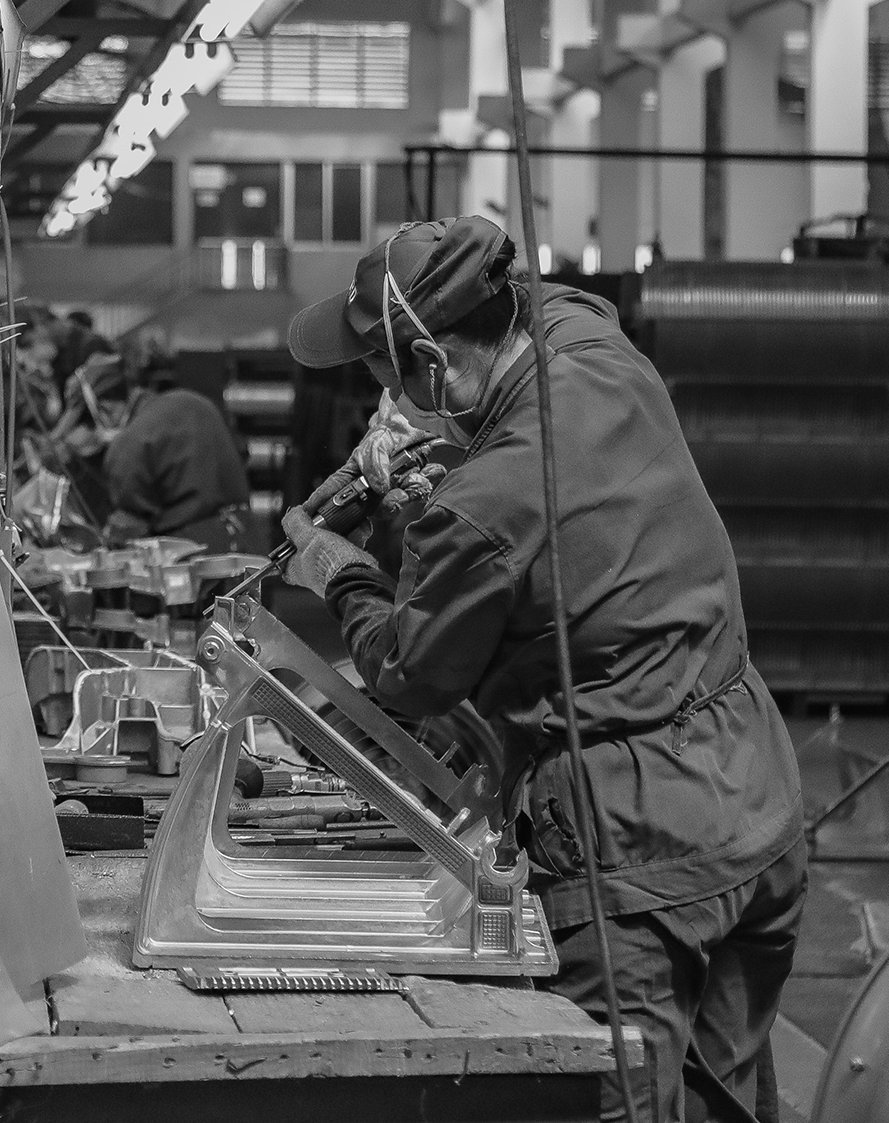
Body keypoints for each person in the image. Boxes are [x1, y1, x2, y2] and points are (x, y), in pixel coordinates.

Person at [277, 218, 805, 1123]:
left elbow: (411, 674)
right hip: (756, 798)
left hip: (637, 852)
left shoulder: (482, 510)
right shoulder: (594, 344)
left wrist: (344, 569)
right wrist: (445, 457)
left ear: (431, 366)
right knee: (723, 1105)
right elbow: (545, 480)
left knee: (618, 1103)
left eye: (383, 373)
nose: (381, 395)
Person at [79, 334, 253, 552]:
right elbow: (243, 451)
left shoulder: (129, 443)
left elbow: (130, 524)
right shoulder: (193, 401)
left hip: (192, 551)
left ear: (105, 408)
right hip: (243, 536)